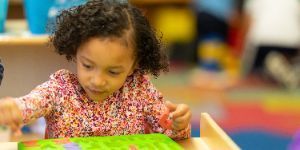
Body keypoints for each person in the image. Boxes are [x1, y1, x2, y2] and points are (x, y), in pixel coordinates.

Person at [0, 0, 191, 140]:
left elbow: (168, 133)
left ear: (134, 65)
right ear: (76, 52)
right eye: (88, 66)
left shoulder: (140, 90)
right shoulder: (61, 88)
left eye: (113, 71)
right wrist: (14, 109)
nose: (97, 81)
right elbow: (32, 103)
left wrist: (178, 124)